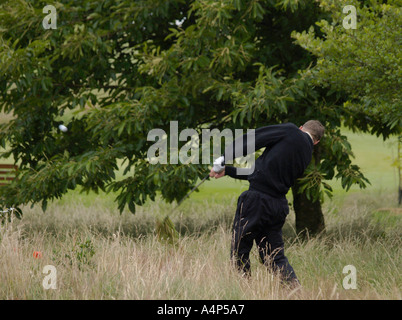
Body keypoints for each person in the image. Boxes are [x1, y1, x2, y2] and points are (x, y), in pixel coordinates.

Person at [209, 120, 325, 286]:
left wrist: (225, 157)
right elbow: (262, 173)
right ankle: (294, 291)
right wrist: (229, 171)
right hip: (277, 206)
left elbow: (255, 139)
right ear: (316, 141)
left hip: (256, 202)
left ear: (301, 128)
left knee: (239, 250)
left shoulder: (291, 131)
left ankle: (244, 290)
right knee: (274, 257)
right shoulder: (307, 155)